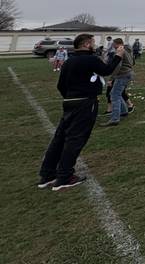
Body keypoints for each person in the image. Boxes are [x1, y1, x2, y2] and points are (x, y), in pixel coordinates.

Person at [37, 34, 121, 191]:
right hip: (85, 103)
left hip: (69, 102)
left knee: (60, 138)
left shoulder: (69, 61)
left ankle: (47, 174)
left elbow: (60, 85)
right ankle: (64, 176)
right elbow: (107, 70)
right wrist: (118, 56)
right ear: (87, 44)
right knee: (75, 139)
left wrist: (70, 97)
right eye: (93, 43)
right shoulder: (90, 59)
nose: (95, 45)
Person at [100, 38, 135, 127]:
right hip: (128, 74)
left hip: (122, 75)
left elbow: (118, 66)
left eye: (113, 44)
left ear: (117, 44)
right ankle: (124, 111)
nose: (112, 46)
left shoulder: (120, 51)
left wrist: (111, 78)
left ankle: (115, 118)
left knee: (114, 95)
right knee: (116, 93)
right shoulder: (127, 50)